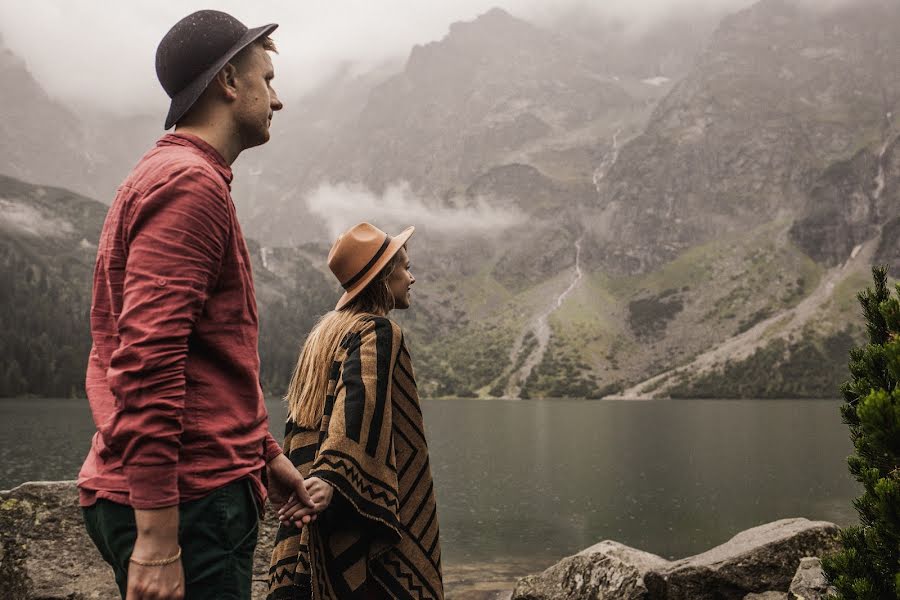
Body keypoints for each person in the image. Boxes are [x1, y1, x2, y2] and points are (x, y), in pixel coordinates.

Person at [77, 10, 314, 600]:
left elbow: (199, 358)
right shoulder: (190, 185)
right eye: (267, 79)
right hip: (191, 503)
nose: (277, 100)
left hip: (193, 489)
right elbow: (148, 360)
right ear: (229, 83)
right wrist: (158, 539)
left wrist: (262, 454)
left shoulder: (166, 174)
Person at [267, 223, 444, 600]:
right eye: (405, 268)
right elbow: (358, 402)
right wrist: (332, 477)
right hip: (347, 507)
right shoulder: (379, 331)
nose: (411, 278)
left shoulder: (323, 335)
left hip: (310, 507)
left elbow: (302, 425)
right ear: (383, 277)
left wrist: (307, 487)